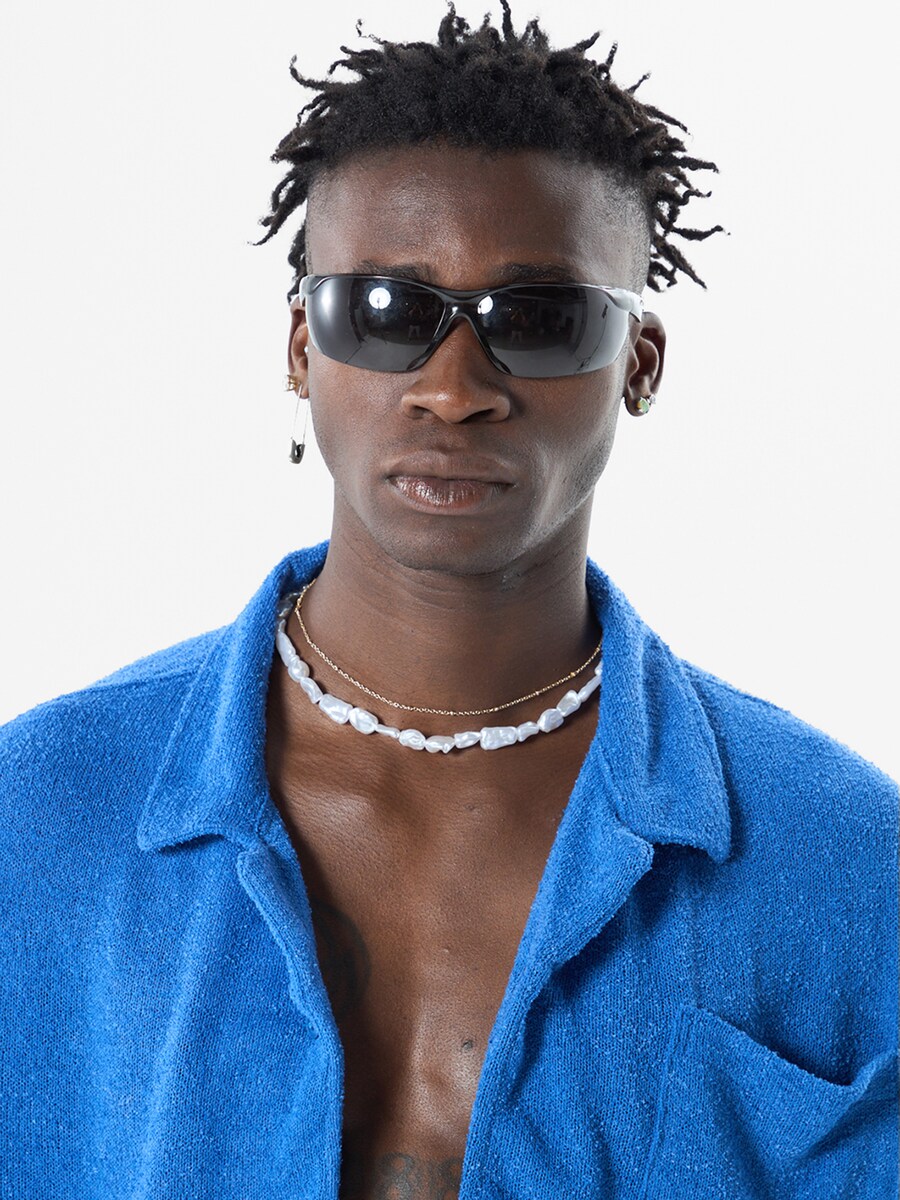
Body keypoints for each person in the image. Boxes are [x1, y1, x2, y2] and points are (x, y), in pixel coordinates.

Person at [1, 3, 897, 1198]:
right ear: (300, 347)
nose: (453, 387)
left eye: (539, 320)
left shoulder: (849, 862)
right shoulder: (40, 813)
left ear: (638, 364)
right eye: (385, 311)